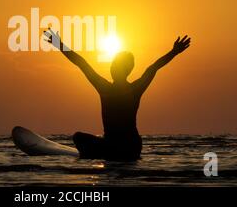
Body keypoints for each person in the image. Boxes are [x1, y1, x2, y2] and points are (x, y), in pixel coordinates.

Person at [44, 28, 191, 161]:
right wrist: (59, 44)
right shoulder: (133, 88)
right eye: (113, 65)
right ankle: (99, 151)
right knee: (79, 137)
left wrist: (59, 44)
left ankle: (95, 153)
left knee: (78, 137)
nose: (113, 68)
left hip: (120, 146)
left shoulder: (106, 88)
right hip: (131, 147)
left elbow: (153, 68)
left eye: (115, 66)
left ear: (124, 70)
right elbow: (82, 63)